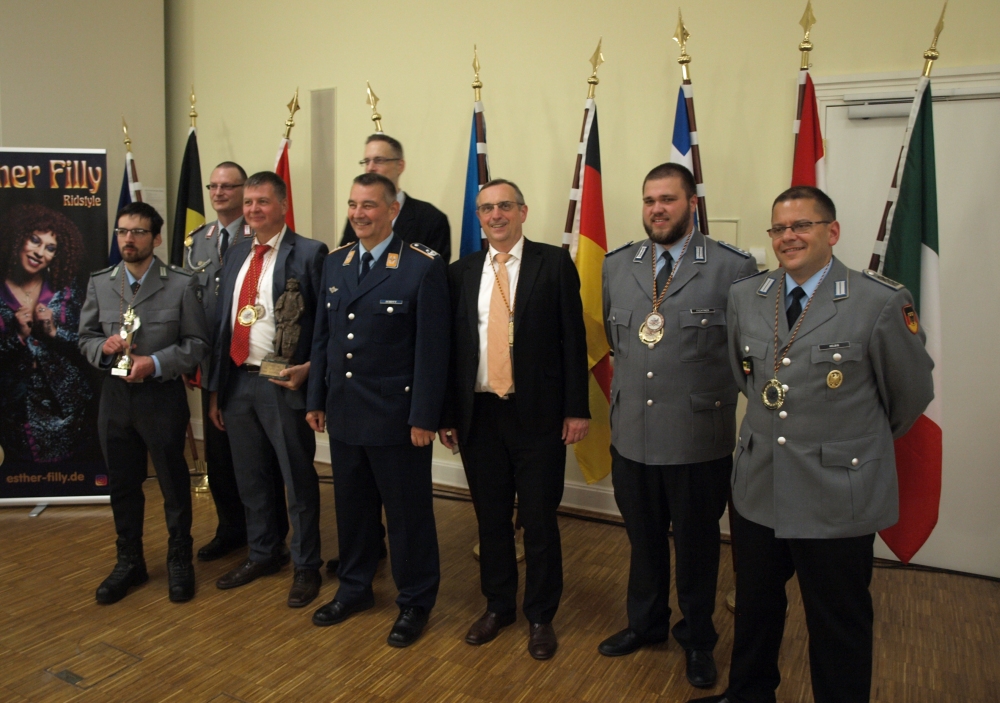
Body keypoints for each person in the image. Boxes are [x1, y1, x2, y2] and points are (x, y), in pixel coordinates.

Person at [690, 186, 934, 703]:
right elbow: (746, 375)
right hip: (760, 485)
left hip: (835, 492)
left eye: (802, 225)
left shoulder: (878, 301)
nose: (789, 237)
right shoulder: (747, 295)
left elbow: (910, 395)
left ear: (832, 232)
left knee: (837, 619)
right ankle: (749, 694)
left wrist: (845, 443)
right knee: (755, 606)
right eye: (779, 228)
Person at [599, 163, 758, 687]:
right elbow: (620, 344)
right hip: (632, 435)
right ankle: (645, 625)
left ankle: (697, 639)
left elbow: (746, 350)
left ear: (691, 203)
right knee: (643, 541)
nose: (657, 209)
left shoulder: (732, 267)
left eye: (667, 199)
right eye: (649, 200)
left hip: (695, 439)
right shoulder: (618, 265)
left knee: (696, 547)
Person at [438, 178, 590, 660]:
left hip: (538, 415)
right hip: (479, 416)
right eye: (487, 208)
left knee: (540, 521)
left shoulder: (554, 264)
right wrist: (447, 414)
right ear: (478, 217)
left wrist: (577, 408)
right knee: (491, 520)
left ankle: (541, 615)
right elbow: (452, 350)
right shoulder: (460, 272)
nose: (496, 215)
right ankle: (498, 606)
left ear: (523, 211)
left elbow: (574, 340)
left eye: (505, 206)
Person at [307, 172, 449, 648]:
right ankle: (355, 588)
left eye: (369, 205)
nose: (358, 214)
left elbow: (432, 351)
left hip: (397, 417)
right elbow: (323, 339)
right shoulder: (337, 262)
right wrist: (316, 400)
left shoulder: (421, 266)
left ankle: (415, 600)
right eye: (353, 204)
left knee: (408, 516)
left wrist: (424, 416)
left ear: (392, 210)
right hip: (346, 412)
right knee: (353, 510)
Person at [207, 171, 328, 609]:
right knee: (251, 477)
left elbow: (325, 325)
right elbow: (223, 326)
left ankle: (306, 565)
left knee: (296, 478)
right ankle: (263, 553)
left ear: (282, 206)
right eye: (248, 202)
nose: (253, 209)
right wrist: (217, 390)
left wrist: (311, 373)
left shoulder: (310, 253)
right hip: (238, 379)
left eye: (262, 201)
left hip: (283, 381)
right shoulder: (237, 253)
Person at [78, 201, 209, 604]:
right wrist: (103, 348)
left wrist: (154, 363)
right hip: (116, 399)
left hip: (160, 396)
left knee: (172, 482)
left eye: (137, 232)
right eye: (122, 231)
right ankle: (129, 560)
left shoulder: (180, 283)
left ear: (156, 238)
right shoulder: (101, 282)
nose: (128, 239)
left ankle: (179, 558)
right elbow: (84, 338)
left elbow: (197, 344)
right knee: (122, 484)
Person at [183, 161, 289, 563]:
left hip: (258, 362)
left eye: (229, 187)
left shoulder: (260, 235)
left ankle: (272, 534)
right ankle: (231, 529)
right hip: (214, 360)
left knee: (264, 459)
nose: (219, 193)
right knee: (222, 456)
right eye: (213, 186)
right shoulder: (199, 240)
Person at [0, 204, 94, 463]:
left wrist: (54, 332)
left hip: (68, 406)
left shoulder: (66, 289)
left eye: (50, 248)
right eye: (34, 240)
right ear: (18, 238)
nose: (40, 253)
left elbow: (86, 343)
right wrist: (18, 337)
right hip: (11, 406)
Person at [339, 134, 451, 262]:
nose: (370, 168)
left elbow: (434, 270)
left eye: (379, 160)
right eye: (366, 161)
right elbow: (344, 263)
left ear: (400, 166)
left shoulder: (430, 219)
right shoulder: (359, 216)